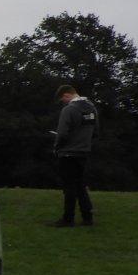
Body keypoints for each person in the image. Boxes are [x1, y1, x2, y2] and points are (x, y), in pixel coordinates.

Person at [51, 85, 99, 227]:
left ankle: (68, 218)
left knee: (69, 187)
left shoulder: (69, 110)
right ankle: (87, 217)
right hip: (83, 152)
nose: (63, 103)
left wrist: (57, 147)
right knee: (80, 185)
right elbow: (96, 131)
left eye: (62, 100)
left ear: (66, 95)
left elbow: (62, 133)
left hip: (67, 153)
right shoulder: (91, 108)